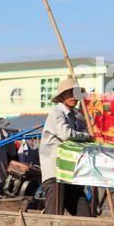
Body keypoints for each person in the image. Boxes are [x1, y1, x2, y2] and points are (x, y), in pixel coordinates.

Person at [39, 78, 93, 216]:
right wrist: (87, 136)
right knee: (55, 214)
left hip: (70, 171)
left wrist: (89, 136)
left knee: (84, 214)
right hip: (56, 172)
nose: (74, 97)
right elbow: (66, 134)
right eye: (70, 93)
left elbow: (84, 136)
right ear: (62, 96)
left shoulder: (76, 116)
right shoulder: (57, 112)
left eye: (76, 93)